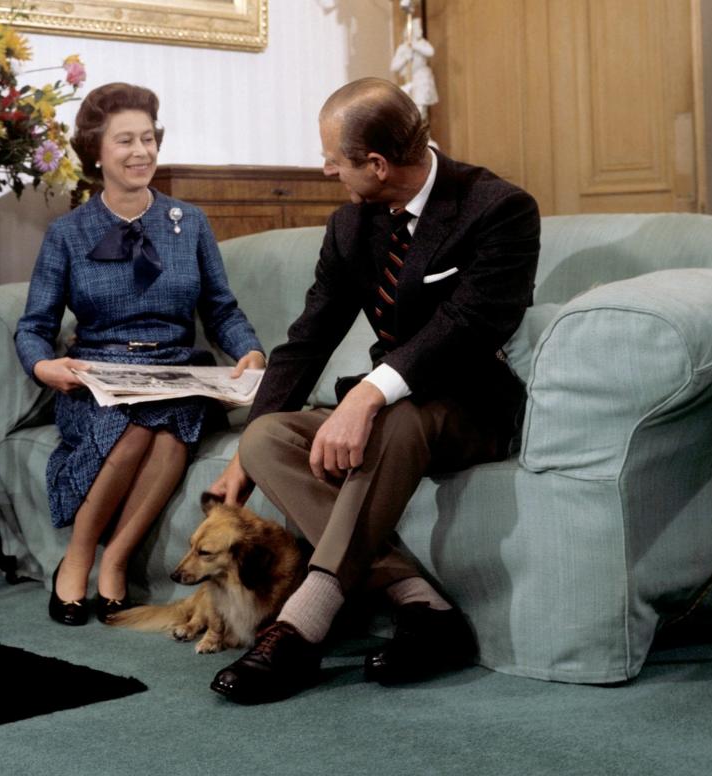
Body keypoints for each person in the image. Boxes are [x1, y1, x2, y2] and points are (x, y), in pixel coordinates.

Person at [206, 77, 539, 704]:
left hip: (471, 404)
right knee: (268, 435)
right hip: (394, 406)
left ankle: (302, 628)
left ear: (378, 164)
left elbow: (466, 327)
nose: (327, 168)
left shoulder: (498, 208)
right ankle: (422, 605)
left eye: (334, 157)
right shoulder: (351, 226)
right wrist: (241, 458)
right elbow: (308, 338)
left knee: (391, 418)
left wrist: (365, 397)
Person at [16, 82, 265, 627]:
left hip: (176, 369)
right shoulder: (67, 233)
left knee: (172, 424)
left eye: (148, 138)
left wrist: (249, 351)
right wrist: (44, 365)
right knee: (135, 428)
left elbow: (221, 308)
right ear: (97, 152)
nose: (140, 152)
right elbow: (34, 326)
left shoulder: (190, 222)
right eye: (125, 140)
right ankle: (77, 561)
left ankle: (117, 563)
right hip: (98, 375)